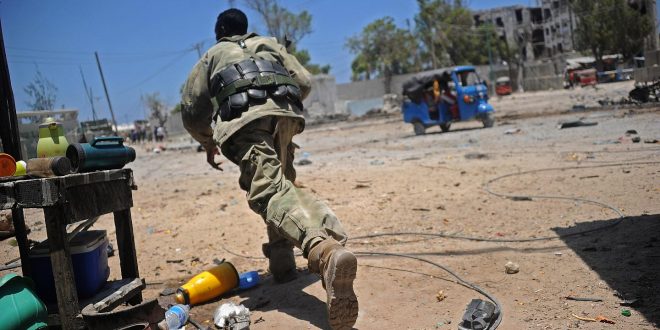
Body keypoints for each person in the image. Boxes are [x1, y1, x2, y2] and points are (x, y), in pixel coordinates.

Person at [181, 8, 358, 329]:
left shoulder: (212, 56)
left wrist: (209, 142)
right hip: (286, 115)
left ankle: (324, 251)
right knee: (282, 185)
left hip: (246, 122)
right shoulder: (270, 44)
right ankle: (283, 264)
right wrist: (279, 103)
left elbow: (193, 113)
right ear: (246, 29)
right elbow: (303, 82)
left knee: (269, 190)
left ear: (219, 31)